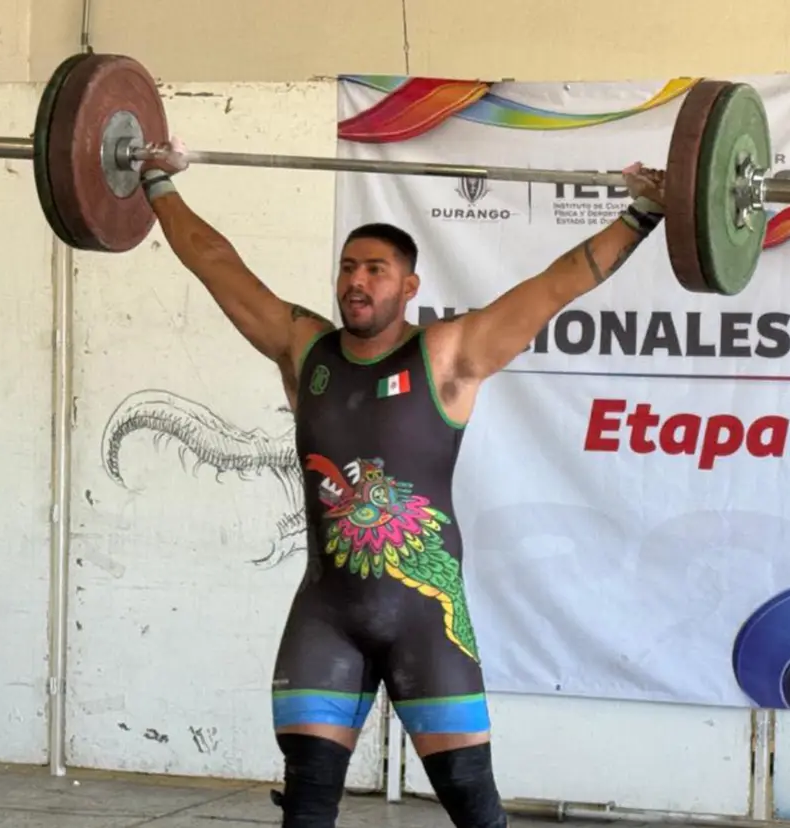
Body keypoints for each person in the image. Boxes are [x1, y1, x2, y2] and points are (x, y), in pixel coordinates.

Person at [136, 138, 667, 828]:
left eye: (377, 270)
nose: (357, 282)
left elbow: (555, 285)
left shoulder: (448, 354)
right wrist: (155, 183)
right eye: (349, 268)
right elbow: (216, 266)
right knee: (305, 807)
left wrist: (642, 215)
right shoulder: (305, 349)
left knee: (474, 808)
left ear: (408, 285)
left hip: (428, 621)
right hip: (327, 619)